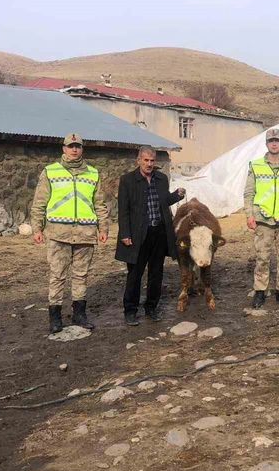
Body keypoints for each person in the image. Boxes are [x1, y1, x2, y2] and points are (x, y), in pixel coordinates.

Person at [31, 133, 109, 333]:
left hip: (85, 233)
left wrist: (103, 228)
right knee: (57, 275)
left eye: (78, 146)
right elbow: (39, 203)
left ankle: (79, 315)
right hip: (58, 233)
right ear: (63, 149)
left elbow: (100, 204)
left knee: (81, 275)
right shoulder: (50, 172)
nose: (74, 149)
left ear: (82, 149)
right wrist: (37, 228)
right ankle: (55, 318)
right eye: (71, 146)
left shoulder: (93, 174)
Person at [115, 145, 185, 325]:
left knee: (156, 273)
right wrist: (125, 233)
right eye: (145, 160)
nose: (149, 164)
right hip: (138, 234)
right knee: (135, 274)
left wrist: (177, 196)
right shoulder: (127, 180)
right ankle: (130, 310)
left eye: (152, 160)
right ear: (138, 160)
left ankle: (151, 308)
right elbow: (123, 210)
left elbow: (164, 201)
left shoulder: (161, 179)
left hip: (159, 233)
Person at [244, 127, 279, 308]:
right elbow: (249, 193)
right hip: (263, 219)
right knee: (262, 257)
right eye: (271, 141)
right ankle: (260, 291)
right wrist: (249, 215)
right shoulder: (256, 166)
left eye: (277, 140)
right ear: (266, 143)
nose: (274, 143)